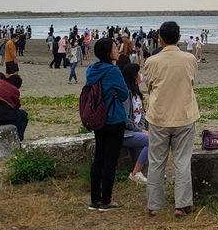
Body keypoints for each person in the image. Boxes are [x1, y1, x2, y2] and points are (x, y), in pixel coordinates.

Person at [143, 21, 200, 217]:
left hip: (159, 115)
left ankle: (154, 204)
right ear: (179, 37)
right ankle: (182, 204)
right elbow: (192, 81)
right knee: (182, 161)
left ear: (160, 38)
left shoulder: (152, 61)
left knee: (156, 160)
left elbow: (149, 86)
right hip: (184, 114)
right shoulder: (189, 59)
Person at [85, 37, 129, 211]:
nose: (117, 50)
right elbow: (124, 94)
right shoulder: (113, 71)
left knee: (99, 159)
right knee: (110, 160)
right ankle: (107, 200)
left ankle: (95, 200)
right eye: (115, 48)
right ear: (107, 52)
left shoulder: (92, 69)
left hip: (98, 118)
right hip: (114, 118)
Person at [120, 62, 150, 185]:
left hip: (136, 130)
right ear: (133, 76)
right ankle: (135, 173)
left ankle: (153, 170)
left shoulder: (136, 93)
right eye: (138, 72)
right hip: (126, 133)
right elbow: (125, 119)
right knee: (153, 140)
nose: (140, 75)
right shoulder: (126, 94)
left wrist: (142, 128)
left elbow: (141, 115)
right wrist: (139, 130)